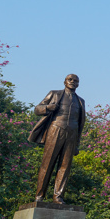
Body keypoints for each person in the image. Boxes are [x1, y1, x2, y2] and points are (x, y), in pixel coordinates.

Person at [29, 74, 86, 204]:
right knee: (47, 163)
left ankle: (58, 196)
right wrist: (48, 107)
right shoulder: (54, 94)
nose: (73, 82)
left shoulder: (81, 101)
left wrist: (77, 143)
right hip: (55, 129)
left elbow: (80, 123)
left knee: (65, 167)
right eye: (70, 79)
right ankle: (39, 196)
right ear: (64, 82)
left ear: (78, 84)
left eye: (76, 81)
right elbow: (37, 109)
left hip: (72, 133)